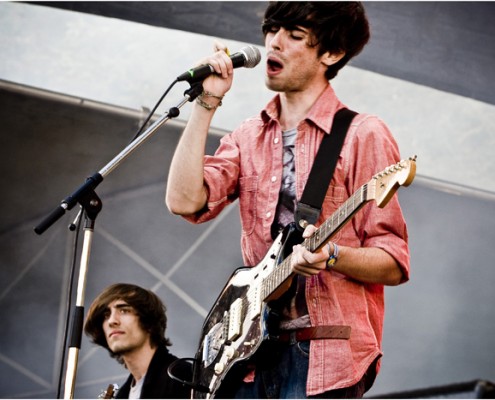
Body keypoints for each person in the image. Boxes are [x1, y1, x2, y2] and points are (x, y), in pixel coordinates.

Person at [166, 2, 410, 398]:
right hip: (247, 359)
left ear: (331, 54)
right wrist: (206, 103)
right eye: (272, 30)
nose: (274, 43)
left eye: (294, 36)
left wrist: (331, 256)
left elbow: (394, 261)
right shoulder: (248, 136)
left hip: (323, 352)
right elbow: (183, 201)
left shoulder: (363, 134)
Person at [84, 283, 192, 399]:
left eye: (123, 311)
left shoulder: (182, 376)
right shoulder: (122, 395)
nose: (111, 321)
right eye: (106, 315)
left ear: (149, 321)